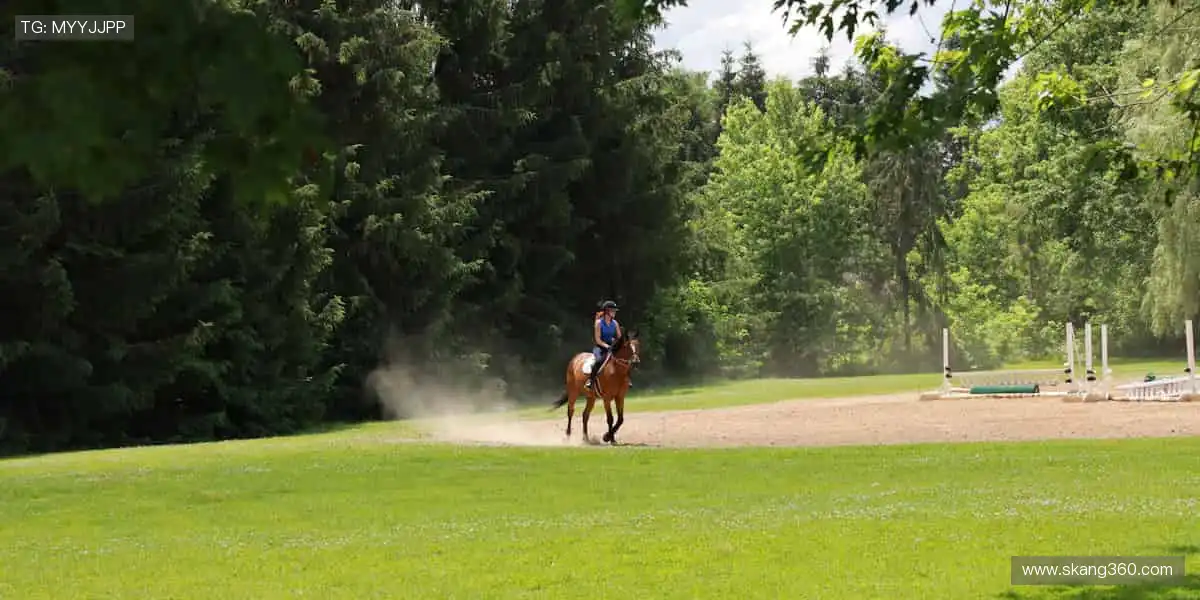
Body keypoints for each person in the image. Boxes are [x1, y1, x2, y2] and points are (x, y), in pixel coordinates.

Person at [586, 300, 621, 390]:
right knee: (598, 361)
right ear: (607, 311)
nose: (614, 313)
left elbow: (619, 337)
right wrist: (607, 346)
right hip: (600, 347)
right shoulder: (598, 323)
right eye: (613, 311)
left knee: (623, 361)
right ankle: (591, 381)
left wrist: (617, 343)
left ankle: (626, 380)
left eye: (615, 311)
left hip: (612, 346)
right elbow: (598, 339)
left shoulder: (615, 323)